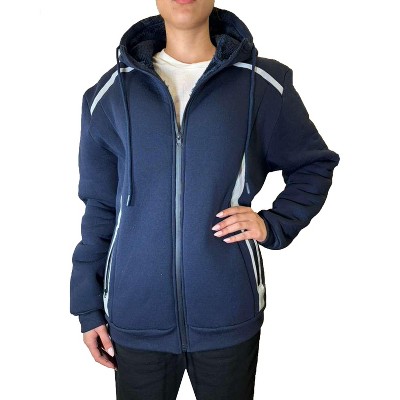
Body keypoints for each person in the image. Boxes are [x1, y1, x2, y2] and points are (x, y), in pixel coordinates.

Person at [70, 1, 340, 399]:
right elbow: (99, 206)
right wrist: (87, 304)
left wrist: (274, 223)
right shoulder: (108, 95)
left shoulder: (263, 83)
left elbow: (313, 165)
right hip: (135, 312)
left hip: (227, 311)